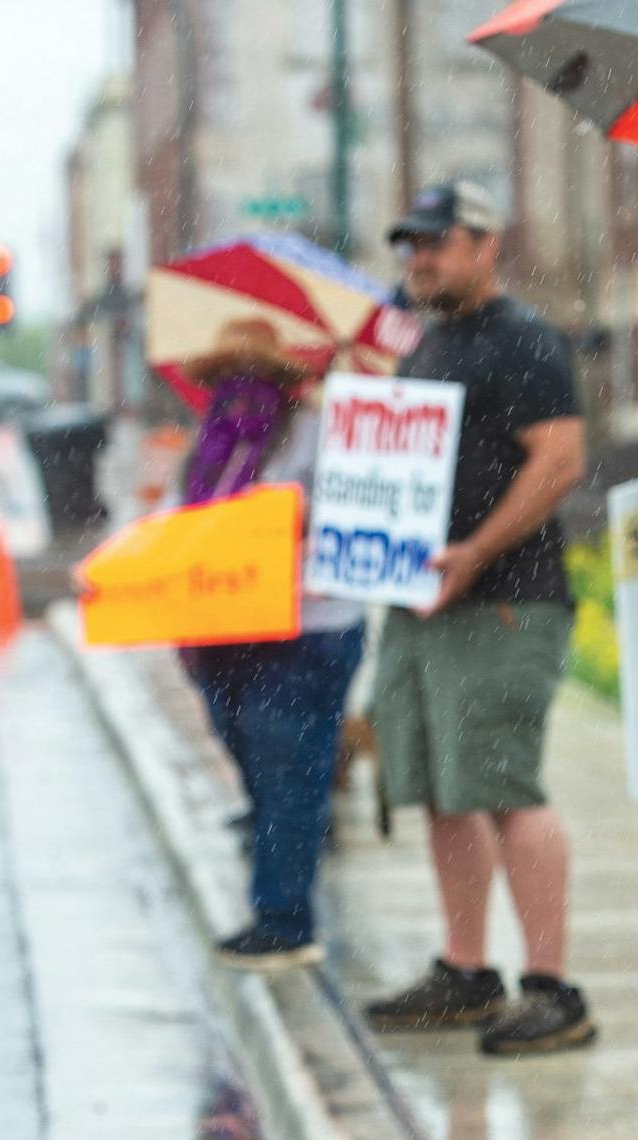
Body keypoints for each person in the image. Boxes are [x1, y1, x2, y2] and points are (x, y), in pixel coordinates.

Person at [361, 182, 594, 1057]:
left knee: (502, 784)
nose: (419, 257)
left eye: (436, 241)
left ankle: (553, 985)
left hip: (502, 600)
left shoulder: (523, 341)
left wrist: (476, 552)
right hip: (419, 598)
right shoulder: (423, 342)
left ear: (486, 242)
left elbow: (561, 460)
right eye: (410, 244)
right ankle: (467, 969)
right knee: (438, 785)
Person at [172, 318, 367, 971]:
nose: (240, 390)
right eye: (228, 376)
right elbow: (181, 528)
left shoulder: (319, 432)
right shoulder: (209, 445)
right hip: (226, 630)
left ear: (280, 381)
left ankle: (284, 920)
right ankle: (281, 887)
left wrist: (293, 522)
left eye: (253, 375)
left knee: (289, 766)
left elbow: (355, 510)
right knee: (247, 748)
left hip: (308, 625)